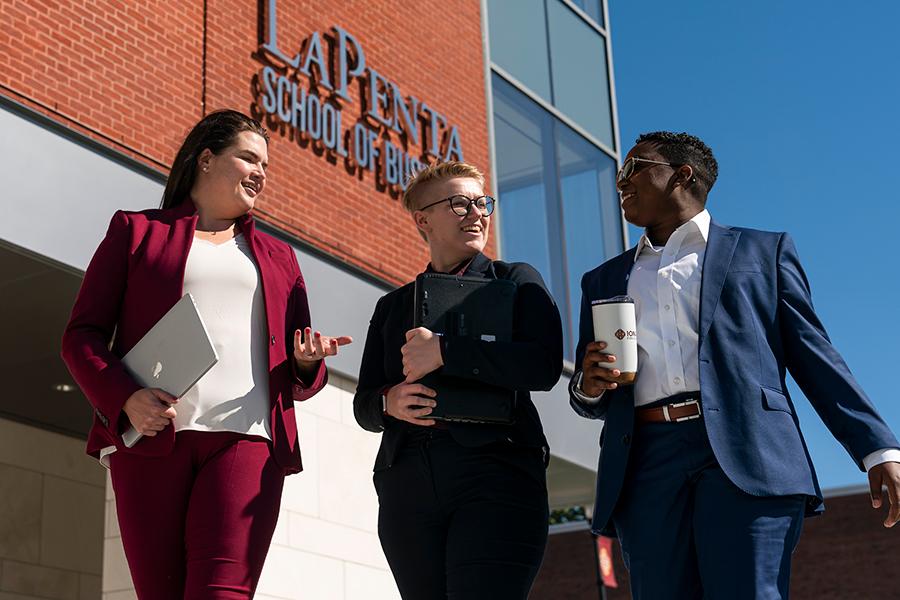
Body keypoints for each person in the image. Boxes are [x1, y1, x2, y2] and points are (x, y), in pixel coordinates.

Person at [569, 131, 900, 599]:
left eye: (634, 168)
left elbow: (815, 355)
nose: (620, 181)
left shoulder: (762, 252)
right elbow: (592, 394)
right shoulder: (601, 279)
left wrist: (878, 449)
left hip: (748, 451)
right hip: (646, 462)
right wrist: (589, 386)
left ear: (681, 175)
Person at [60, 109, 351, 599]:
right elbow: (81, 336)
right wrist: (126, 398)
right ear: (207, 159)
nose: (261, 172)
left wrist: (308, 361)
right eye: (248, 158)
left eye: (266, 165)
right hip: (154, 441)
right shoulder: (136, 233)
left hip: (247, 442)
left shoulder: (280, 259)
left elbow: (303, 370)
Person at [353, 161, 563, 599]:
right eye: (459, 203)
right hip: (407, 482)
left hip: (497, 473)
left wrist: (447, 352)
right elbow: (365, 404)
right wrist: (388, 402)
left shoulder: (515, 281)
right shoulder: (392, 306)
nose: (476, 213)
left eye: (481, 202)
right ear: (423, 219)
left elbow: (543, 366)